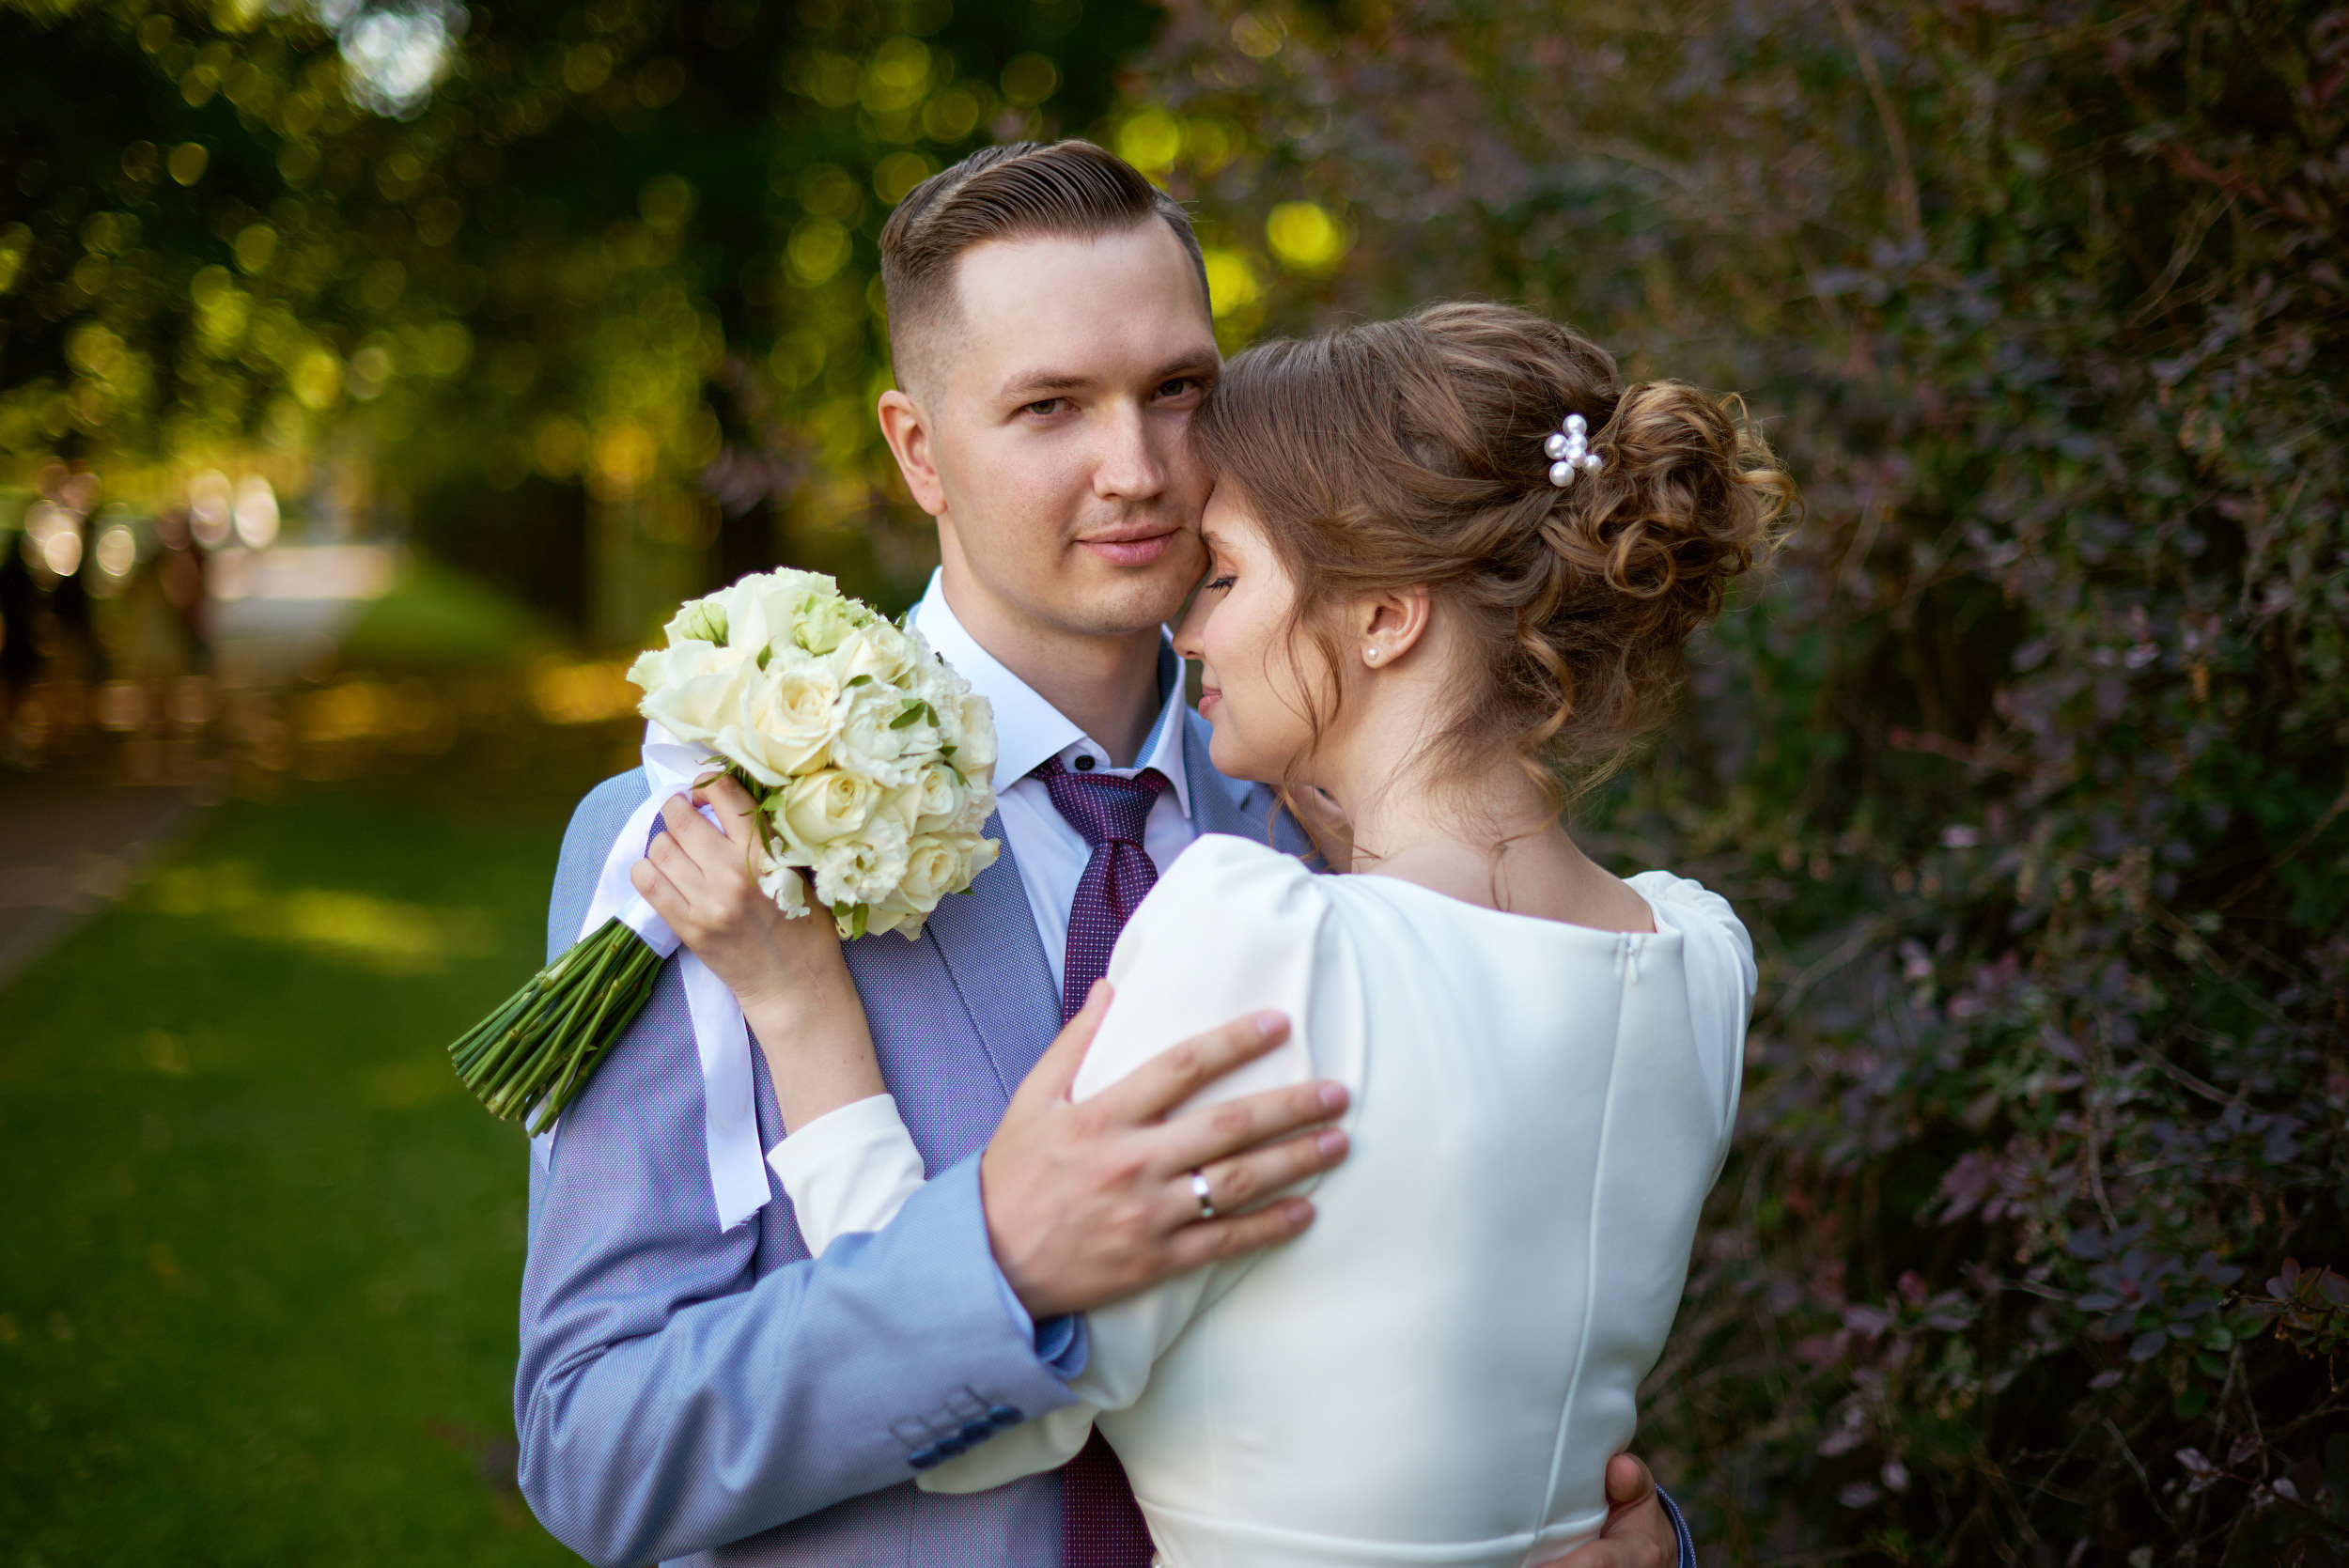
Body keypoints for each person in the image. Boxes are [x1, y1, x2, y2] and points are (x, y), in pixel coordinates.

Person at [519, 140, 1695, 1568]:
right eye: (1050, 406)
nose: (1137, 470)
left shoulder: (1354, 812)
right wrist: (994, 1264)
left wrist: (1626, 1540)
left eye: (1179, 392)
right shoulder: (714, 836)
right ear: (917, 449)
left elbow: (1499, 1310)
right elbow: (595, 1446)